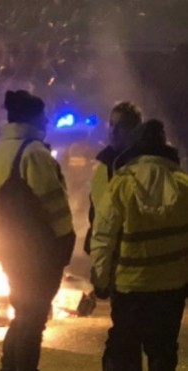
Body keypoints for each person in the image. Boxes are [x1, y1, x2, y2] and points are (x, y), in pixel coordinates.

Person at [0, 90, 75, 370]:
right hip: (38, 252)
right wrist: (65, 241)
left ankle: (9, 367)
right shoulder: (33, 153)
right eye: (43, 115)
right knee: (33, 320)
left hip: (9, 251)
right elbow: (54, 204)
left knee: (23, 315)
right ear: (32, 117)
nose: (46, 121)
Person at [90, 119, 188, 371]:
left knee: (123, 352)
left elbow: (103, 237)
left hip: (129, 289)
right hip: (171, 288)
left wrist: (100, 280)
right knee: (163, 351)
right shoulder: (183, 184)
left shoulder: (121, 184)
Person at [84, 102, 142, 255]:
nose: (113, 131)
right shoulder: (102, 168)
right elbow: (95, 214)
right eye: (111, 125)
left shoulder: (144, 167)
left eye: (120, 126)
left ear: (135, 131)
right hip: (109, 257)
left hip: (135, 259)